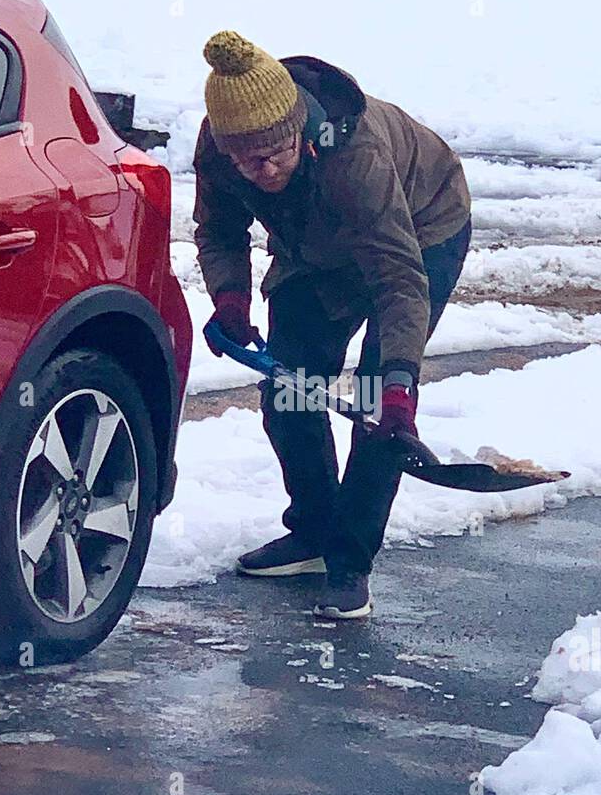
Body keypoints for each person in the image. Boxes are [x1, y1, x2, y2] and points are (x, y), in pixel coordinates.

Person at [193, 31, 472, 619]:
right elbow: (219, 230)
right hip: (315, 245)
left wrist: (400, 380)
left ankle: (350, 561)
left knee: (375, 407)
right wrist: (232, 298)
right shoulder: (223, 150)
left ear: (299, 133)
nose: (259, 171)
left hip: (421, 231)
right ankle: (315, 534)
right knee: (289, 390)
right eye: (244, 161)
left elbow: (398, 278)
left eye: (273, 155)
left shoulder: (357, 159)